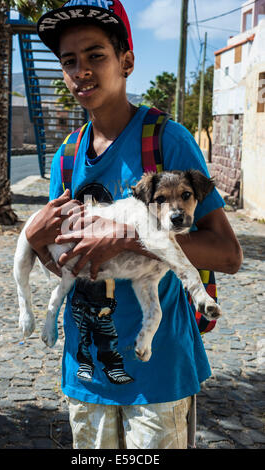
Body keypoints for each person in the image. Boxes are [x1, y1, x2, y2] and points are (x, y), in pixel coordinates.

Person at [26, 0, 243, 449]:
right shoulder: (67, 157)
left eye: (95, 55)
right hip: (85, 372)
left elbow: (227, 253)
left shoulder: (166, 140)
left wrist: (130, 238)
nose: (81, 69)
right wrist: (33, 241)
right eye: (70, 61)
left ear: (126, 60)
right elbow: (63, 263)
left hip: (159, 376)